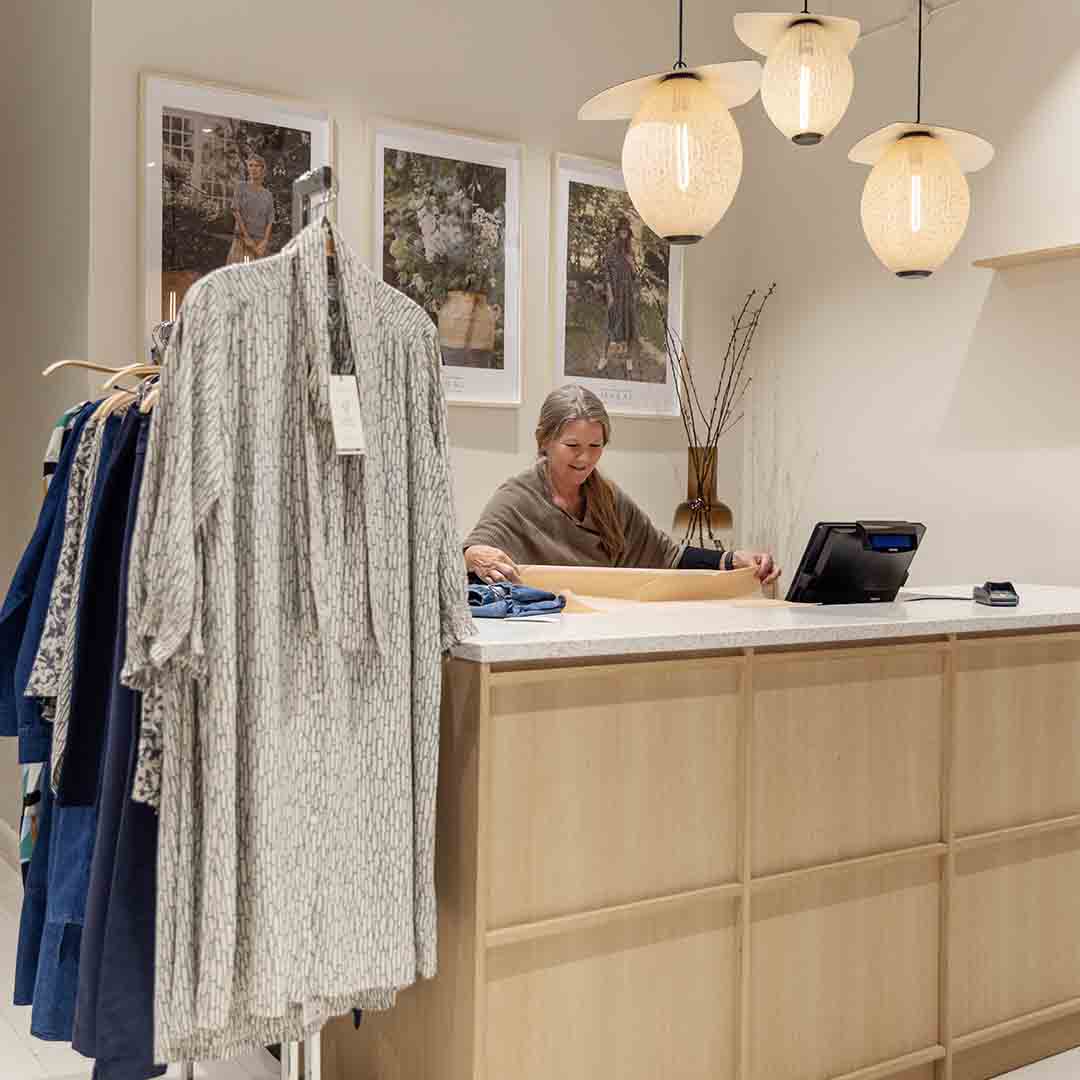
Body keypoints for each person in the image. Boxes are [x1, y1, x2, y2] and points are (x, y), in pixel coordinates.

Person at [463, 385, 780, 586]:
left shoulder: (608, 499)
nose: (585, 459)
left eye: (596, 446)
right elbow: (474, 549)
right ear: (544, 441)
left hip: (607, 630)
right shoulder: (517, 498)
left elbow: (667, 556)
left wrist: (734, 559)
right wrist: (474, 554)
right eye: (572, 446)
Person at [600, 215, 638, 374]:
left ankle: (629, 359)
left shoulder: (630, 249)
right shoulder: (611, 247)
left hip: (628, 292)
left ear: (628, 232)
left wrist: (632, 264)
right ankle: (603, 357)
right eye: (622, 230)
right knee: (611, 324)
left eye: (626, 231)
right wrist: (609, 292)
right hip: (615, 291)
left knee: (629, 325)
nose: (624, 233)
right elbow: (606, 270)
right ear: (618, 231)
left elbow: (634, 275)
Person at [227, 154, 275, 264]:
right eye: (250, 165)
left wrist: (265, 242)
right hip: (242, 242)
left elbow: (270, 219)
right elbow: (236, 211)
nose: (253, 168)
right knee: (240, 274)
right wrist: (247, 237)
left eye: (257, 166)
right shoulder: (241, 187)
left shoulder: (268, 195)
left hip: (259, 245)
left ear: (263, 169)